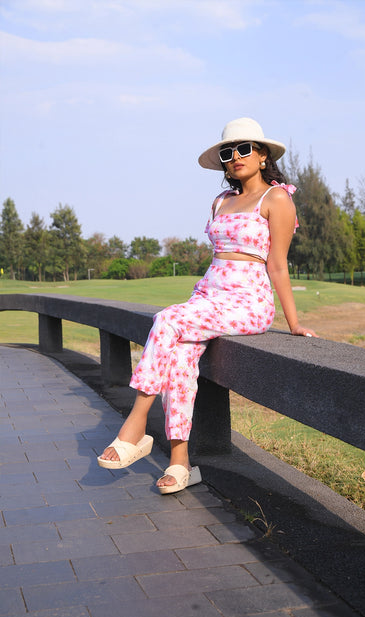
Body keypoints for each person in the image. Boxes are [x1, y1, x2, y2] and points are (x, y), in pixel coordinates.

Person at [98, 117, 317, 494]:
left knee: (166, 320)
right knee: (180, 357)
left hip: (248, 301)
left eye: (244, 149)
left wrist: (294, 323)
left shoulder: (277, 199)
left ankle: (134, 427)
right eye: (228, 152)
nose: (235, 157)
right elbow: (218, 257)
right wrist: (204, 296)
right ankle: (180, 462)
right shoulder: (221, 201)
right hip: (209, 296)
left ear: (263, 155)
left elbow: (278, 265)